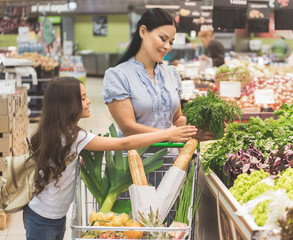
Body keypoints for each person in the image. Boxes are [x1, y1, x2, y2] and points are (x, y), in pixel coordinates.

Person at [22, 77, 197, 240]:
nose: (89, 101)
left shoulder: (52, 131)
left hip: (43, 213)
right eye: (83, 98)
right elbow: (124, 143)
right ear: (67, 105)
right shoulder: (74, 136)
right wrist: (167, 134)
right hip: (45, 218)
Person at [103, 8, 214, 141]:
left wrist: (198, 129)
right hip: (134, 158)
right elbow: (128, 128)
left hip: (172, 158)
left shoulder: (171, 73)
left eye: (171, 42)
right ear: (143, 31)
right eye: (163, 38)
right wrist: (169, 135)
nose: (167, 46)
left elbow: (177, 119)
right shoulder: (117, 76)